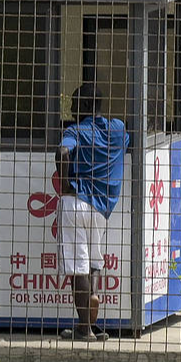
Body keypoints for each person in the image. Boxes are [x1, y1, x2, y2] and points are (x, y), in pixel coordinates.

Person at [57, 84, 128, 341]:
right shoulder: (118, 129)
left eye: (75, 105)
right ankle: (92, 302)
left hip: (76, 202)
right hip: (101, 207)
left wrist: (65, 185)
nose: (72, 111)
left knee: (77, 268)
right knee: (94, 261)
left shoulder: (75, 130)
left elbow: (63, 151)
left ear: (86, 107)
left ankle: (85, 329)